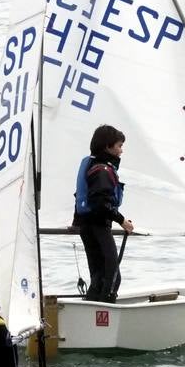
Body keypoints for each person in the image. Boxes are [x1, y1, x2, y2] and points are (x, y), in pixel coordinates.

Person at [72, 124, 134, 303]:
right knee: (111, 276)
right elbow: (101, 204)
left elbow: (87, 199)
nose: (121, 151)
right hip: (98, 227)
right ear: (108, 146)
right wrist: (122, 220)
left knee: (99, 275)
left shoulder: (93, 165)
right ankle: (104, 315)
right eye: (119, 146)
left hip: (87, 226)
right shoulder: (103, 170)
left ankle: (93, 311)